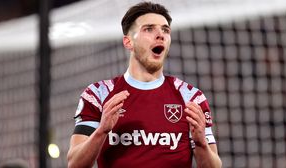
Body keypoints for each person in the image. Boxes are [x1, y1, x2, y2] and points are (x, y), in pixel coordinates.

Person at [67, 2, 222, 168]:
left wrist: (201, 143)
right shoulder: (99, 94)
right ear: (128, 42)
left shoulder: (191, 97)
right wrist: (102, 131)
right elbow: (75, 164)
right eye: (149, 29)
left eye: (165, 30)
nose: (160, 35)